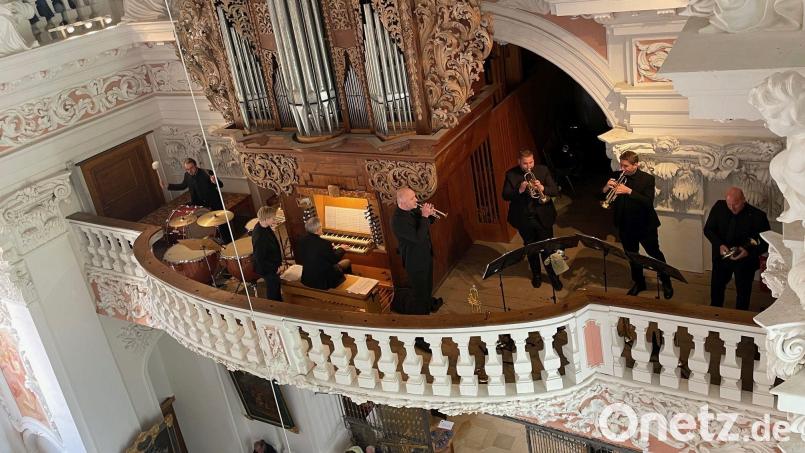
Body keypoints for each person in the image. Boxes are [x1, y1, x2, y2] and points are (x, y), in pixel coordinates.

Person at [602, 150, 673, 299]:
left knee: (655, 254)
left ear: (636, 165)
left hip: (645, 225)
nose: (622, 169)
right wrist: (606, 187)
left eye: (626, 166)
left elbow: (648, 202)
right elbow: (601, 194)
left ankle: (666, 282)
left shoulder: (647, 179)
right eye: (621, 165)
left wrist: (629, 191)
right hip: (625, 226)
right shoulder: (617, 176)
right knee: (632, 256)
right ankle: (639, 282)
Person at [502, 149, 562, 290]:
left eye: (531, 162)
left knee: (548, 248)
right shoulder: (511, 174)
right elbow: (505, 195)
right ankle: (536, 275)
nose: (529, 166)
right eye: (525, 163)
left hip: (543, 216)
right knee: (531, 248)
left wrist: (543, 187)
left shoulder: (542, 170)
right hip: (524, 218)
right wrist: (520, 189)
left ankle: (554, 276)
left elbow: (555, 190)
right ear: (519, 162)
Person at [704, 187, 770, 310]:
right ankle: (714, 314)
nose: (732, 208)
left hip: (745, 261)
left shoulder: (758, 216)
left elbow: (765, 242)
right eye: (729, 204)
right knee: (717, 289)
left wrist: (748, 251)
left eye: (736, 204)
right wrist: (719, 244)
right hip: (722, 257)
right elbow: (708, 229)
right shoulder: (719, 207)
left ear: (743, 200)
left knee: (743, 293)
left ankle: (740, 319)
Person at [391, 187, 443, 315]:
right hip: (414, 261)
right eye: (412, 198)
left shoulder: (412, 210)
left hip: (425, 255)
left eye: (415, 196)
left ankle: (429, 304)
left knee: (427, 285)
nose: (416, 200)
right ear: (402, 202)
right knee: (420, 292)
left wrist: (430, 215)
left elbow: (424, 226)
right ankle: (422, 318)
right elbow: (418, 238)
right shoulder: (397, 220)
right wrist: (425, 216)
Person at [162, 157, 230, 242]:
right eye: (187, 169)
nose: (189, 171)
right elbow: (183, 186)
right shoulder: (187, 175)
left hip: (214, 202)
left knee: (221, 223)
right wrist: (168, 186)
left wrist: (215, 182)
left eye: (191, 168)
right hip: (199, 204)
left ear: (196, 166)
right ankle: (212, 241)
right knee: (204, 224)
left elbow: (221, 185)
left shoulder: (207, 172)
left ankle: (228, 241)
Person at [297, 217, 352, 290]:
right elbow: (334, 260)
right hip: (324, 282)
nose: (321, 228)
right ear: (317, 230)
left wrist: (331, 249)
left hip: (307, 279)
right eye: (321, 227)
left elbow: (312, 253)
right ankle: (346, 288)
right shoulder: (325, 244)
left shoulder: (302, 240)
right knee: (347, 262)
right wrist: (341, 248)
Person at [252, 206, 283, 301]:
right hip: (267, 269)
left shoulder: (264, 226)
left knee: (276, 287)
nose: (274, 220)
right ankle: (275, 309)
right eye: (273, 218)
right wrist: (275, 269)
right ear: (266, 219)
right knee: (273, 291)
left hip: (273, 264)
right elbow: (260, 259)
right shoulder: (260, 237)